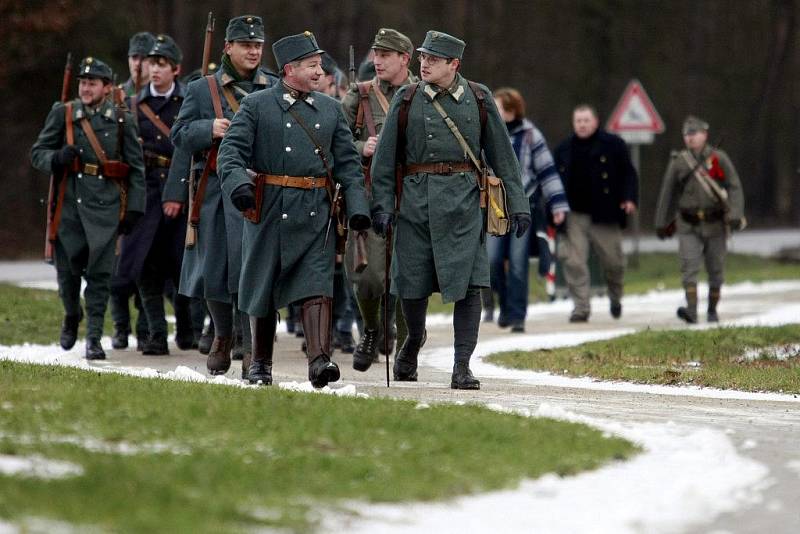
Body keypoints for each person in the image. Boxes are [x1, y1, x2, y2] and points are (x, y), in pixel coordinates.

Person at [370, 30, 529, 390]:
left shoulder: (479, 97)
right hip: (415, 203)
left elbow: (504, 157)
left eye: (432, 60)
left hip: (464, 204)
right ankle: (412, 340)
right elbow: (385, 160)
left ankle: (462, 366)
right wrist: (382, 206)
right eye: (422, 57)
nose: (423, 64)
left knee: (470, 286)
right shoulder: (407, 99)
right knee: (411, 285)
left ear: (453, 64)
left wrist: (519, 206)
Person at [217, 31, 371, 388]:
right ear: (289, 69)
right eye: (311, 66)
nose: (319, 72)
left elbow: (348, 165)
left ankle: (320, 362)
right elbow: (231, 153)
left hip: (316, 211)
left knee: (317, 285)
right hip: (268, 209)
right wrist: (239, 185)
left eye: (319, 65)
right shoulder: (257, 105)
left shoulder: (331, 110)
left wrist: (358, 207)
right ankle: (260, 364)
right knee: (263, 287)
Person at [171, 15, 278, 376]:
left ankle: (251, 347)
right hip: (215, 191)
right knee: (214, 268)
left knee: (255, 270)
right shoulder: (204, 90)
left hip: (260, 189)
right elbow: (180, 135)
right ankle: (221, 334)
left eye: (258, 45)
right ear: (228, 47)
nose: (253, 50)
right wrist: (208, 128)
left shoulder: (273, 87)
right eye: (246, 44)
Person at [31, 56, 145, 359]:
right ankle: (71, 314)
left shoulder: (122, 120)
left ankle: (93, 338)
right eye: (82, 82)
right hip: (68, 208)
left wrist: (134, 208)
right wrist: (55, 159)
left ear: (107, 87)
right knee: (67, 278)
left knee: (99, 278)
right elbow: (37, 153)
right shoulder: (64, 114)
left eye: (92, 83)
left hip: (105, 208)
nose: (85, 88)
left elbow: (135, 168)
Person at [341, 28, 417, 371]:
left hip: (413, 198)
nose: (378, 60)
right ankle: (372, 328)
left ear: (405, 58)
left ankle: (405, 347)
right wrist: (361, 148)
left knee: (408, 276)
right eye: (376, 53)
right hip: (371, 198)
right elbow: (335, 142)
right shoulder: (360, 97)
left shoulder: (423, 94)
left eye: (385, 54)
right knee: (368, 276)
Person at [116, 34, 193, 355]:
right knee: (145, 266)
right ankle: (156, 335)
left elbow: (190, 146)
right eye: (151, 64)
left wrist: (177, 192)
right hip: (145, 193)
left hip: (180, 192)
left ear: (176, 69)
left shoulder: (189, 101)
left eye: (162, 64)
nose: (155, 70)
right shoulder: (133, 105)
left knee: (181, 266)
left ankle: (187, 326)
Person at [486, 87, 569, 332]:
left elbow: (547, 172)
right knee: (491, 261)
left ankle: (517, 315)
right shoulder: (489, 133)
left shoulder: (531, 135)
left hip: (525, 206)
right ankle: (504, 303)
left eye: (498, 107)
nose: (494, 111)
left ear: (510, 110)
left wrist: (558, 205)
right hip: (496, 208)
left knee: (519, 264)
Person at [654, 115, 745, 323]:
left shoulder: (718, 158)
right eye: (686, 134)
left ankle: (712, 310)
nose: (690, 138)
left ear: (704, 135)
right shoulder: (679, 161)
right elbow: (667, 193)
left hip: (715, 223)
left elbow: (734, 186)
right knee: (689, 266)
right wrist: (660, 222)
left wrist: (735, 214)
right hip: (688, 223)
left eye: (694, 134)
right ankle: (691, 310)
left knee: (716, 268)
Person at [553, 104, 638, 323]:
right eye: (578, 121)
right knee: (573, 261)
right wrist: (554, 209)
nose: (581, 124)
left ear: (595, 121)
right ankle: (581, 307)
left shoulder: (614, 145)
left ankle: (615, 296)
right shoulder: (564, 149)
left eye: (586, 120)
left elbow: (629, 174)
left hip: (605, 213)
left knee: (614, 262)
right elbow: (553, 183)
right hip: (573, 214)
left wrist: (628, 198)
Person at [110, 30, 156, 350]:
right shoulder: (115, 96)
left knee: (146, 261)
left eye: (145, 59)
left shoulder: (161, 98)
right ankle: (120, 325)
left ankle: (144, 325)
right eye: (135, 58)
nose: (139, 65)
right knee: (117, 264)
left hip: (151, 185)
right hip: (119, 187)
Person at [120, 32, 155, 97]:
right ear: (128, 60)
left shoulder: (162, 94)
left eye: (143, 58)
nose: (138, 63)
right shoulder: (117, 95)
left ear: (153, 62)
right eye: (134, 57)